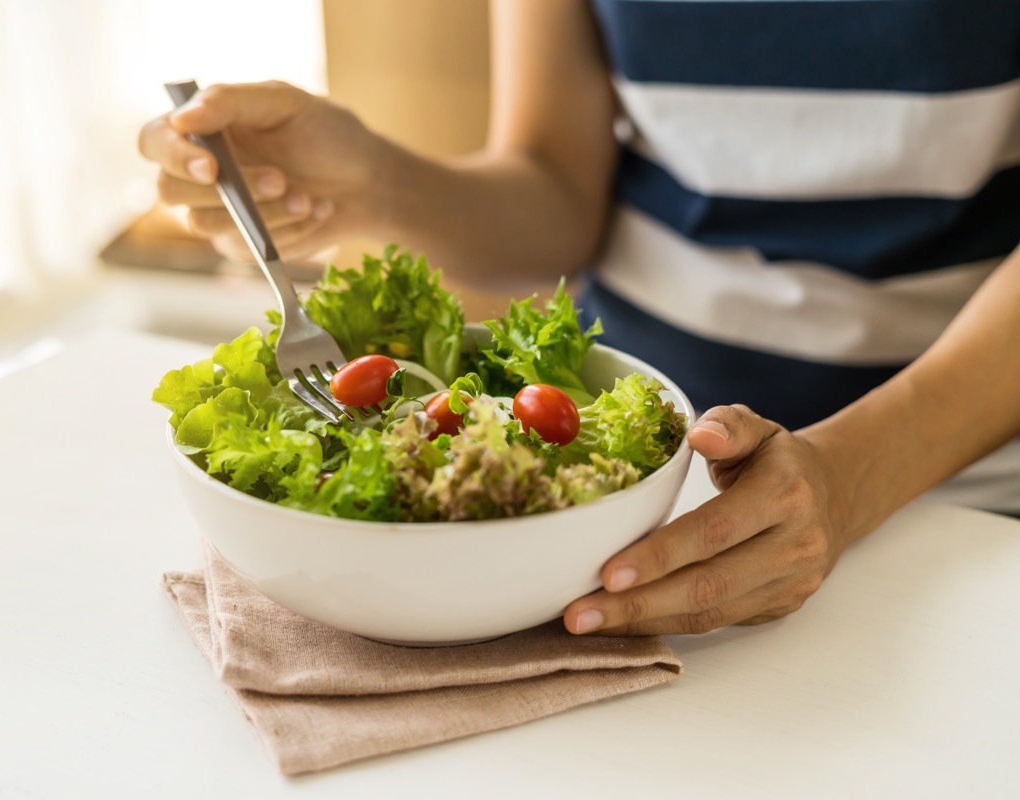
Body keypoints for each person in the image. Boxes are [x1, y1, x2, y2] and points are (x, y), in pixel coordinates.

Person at [139, 0, 1020, 636]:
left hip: (956, 489)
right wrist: (370, 183)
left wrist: (848, 474)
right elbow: (557, 192)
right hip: (626, 486)